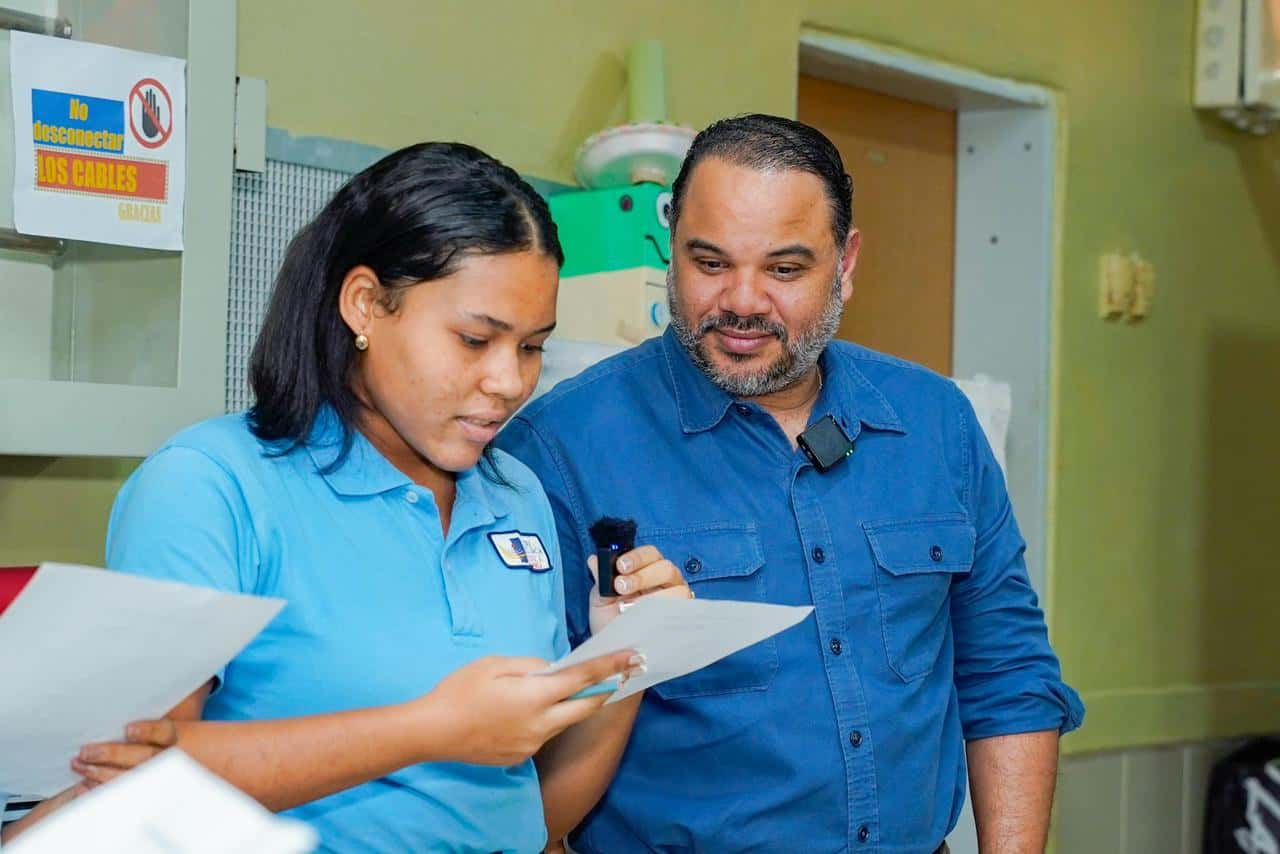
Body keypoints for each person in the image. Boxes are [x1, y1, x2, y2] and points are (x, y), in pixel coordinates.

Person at [77, 142, 690, 852]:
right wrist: (427, 729)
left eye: (531, 348)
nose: (510, 382)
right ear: (366, 305)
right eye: (474, 340)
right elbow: (124, 781)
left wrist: (630, 653)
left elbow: (534, 817)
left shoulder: (515, 496)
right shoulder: (209, 487)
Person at [495, 114, 1084, 853]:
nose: (741, 301)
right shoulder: (558, 448)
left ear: (846, 263)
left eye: (783, 269)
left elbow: (1007, 671)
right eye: (709, 263)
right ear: (670, 240)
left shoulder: (935, 423)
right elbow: (517, 755)